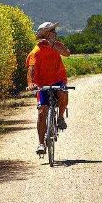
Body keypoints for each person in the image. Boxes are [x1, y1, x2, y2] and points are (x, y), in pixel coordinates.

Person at [26, 21, 71, 155]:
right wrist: (30, 84)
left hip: (58, 80)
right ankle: (41, 144)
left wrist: (52, 45)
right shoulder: (36, 51)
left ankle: (61, 117)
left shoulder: (57, 45)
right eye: (53, 31)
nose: (55, 33)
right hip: (42, 84)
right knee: (41, 112)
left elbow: (67, 53)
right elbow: (31, 69)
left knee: (63, 93)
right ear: (46, 34)